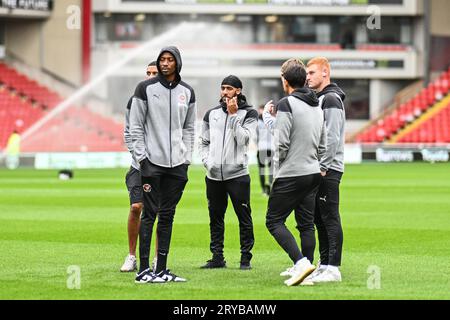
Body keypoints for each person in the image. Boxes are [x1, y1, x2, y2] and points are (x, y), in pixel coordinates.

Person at [130, 46, 196, 283]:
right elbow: (135, 126)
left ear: (177, 63)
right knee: (150, 215)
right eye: (162, 60)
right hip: (151, 164)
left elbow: (190, 128)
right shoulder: (144, 88)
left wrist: (186, 158)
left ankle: (162, 270)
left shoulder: (187, 92)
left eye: (170, 60)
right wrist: (142, 158)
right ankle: (143, 271)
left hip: (177, 165)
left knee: (168, 216)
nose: (165, 63)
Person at [265, 58, 327, 287]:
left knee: (273, 221)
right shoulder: (317, 104)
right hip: (313, 171)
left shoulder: (286, 103)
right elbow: (323, 141)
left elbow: (281, 143)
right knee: (306, 224)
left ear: (285, 80)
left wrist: (276, 172)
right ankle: (307, 270)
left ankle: (300, 263)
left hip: (292, 172)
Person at [199, 75, 258, 270]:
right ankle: (217, 258)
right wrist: (208, 163)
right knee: (215, 217)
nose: (224, 92)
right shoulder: (211, 114)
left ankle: (245, 259)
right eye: (222, 88)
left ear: (238, 91)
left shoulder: (249, 114)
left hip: (238, 176)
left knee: (244, 217)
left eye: (229, 88)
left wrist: (233, 116)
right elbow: (204, 142)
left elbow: (244, 140)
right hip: (213, 176)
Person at [305, 57, 346, 283]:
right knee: (319, 219)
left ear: (325, 73)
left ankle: (333, 267)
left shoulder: (330, 98)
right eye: (307, 73)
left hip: (328, 168)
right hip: (319, 166)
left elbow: (332, 136)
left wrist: (322, 166)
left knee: (329, 217)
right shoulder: (321, 98)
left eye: (312, 73)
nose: (308, 77)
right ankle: (324, 263)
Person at [121, 61, 158, 273]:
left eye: (154, 73)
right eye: (148, 72)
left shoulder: (168, 100)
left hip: (161, 166)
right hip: (138, 165)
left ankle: (157, 259)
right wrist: (139, 156)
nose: (150, 76)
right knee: (136, 207)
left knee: (159, 212)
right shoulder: (134, 100)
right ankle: (131, 256)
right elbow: (128, 131)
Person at [256, 105, 274, 196]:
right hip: (271, 148)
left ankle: (264, 189)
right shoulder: (273, 120)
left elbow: (256, 136)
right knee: (271, 170)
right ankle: (269, 187)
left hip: (262, 148)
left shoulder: (257, 122)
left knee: (262, 170)